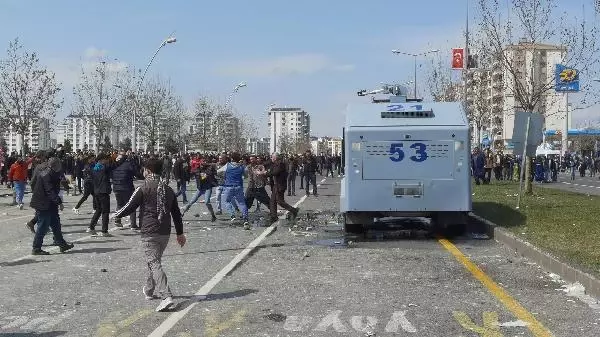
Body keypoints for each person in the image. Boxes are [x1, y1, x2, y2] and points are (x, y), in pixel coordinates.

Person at [112, 157, 186, 312]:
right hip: (165, 232)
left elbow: (130, 206)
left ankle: (166, 296)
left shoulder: (143, 187)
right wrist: (180, 233)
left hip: (149, 231)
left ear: (148, 170)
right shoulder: (168, 189)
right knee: (154, 260)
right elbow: (177, 214)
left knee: (153, 262)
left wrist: (116, 215)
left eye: (144, 169)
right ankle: (149, 289)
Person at [30, 155, 74, 255]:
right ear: (54, 165)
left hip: (49, 204)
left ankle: (62, 244)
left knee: (56, 224)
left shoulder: (52, 173)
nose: (59, 167)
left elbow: (56, 184)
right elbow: (50, 191)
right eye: (58, 165)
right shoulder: (46, 175)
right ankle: (36, 248)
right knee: (43, 227)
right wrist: (59, 202)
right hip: (43, 203)